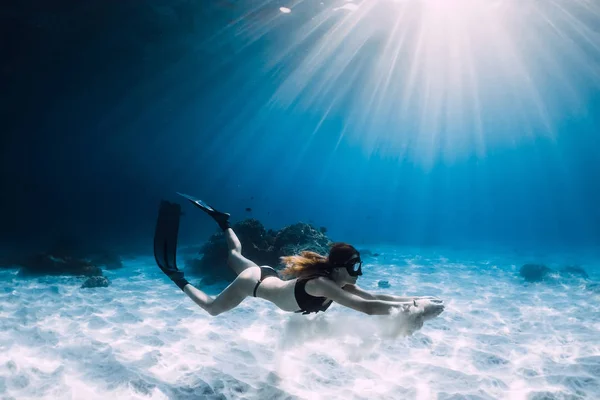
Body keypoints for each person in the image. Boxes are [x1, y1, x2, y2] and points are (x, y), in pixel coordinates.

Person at [153, 193, 444, 319]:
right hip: (252, 284)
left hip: (265, 276)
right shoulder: (323, 285)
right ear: (340, 268)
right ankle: (176, 276)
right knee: (213, 309)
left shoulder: (339, 281)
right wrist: (418, 309)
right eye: (354, 266)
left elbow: (378, 299)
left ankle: (223, 222)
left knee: (234, 254)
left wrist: (419, 300)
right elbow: (367, 308)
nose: (358, 272)